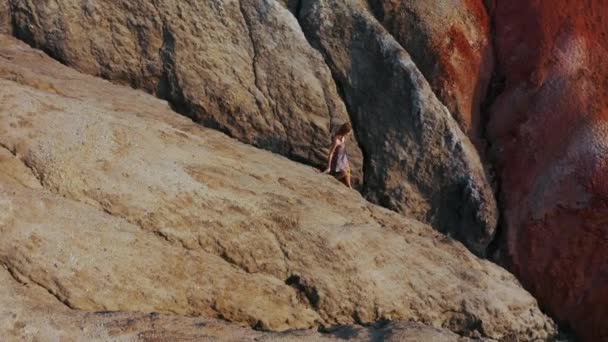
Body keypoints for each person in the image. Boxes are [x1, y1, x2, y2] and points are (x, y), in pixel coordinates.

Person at [323, 122, 353, 188]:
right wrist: (328, 167)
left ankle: (349, 186)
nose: (350, 133)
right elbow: (331, 154)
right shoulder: (336, 140)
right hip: (337, 162)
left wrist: (346, 162)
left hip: (342, 159)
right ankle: (332, 177)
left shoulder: (343, 138)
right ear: (345, 131)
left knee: (348, 170)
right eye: (349, 132)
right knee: (344, 172)